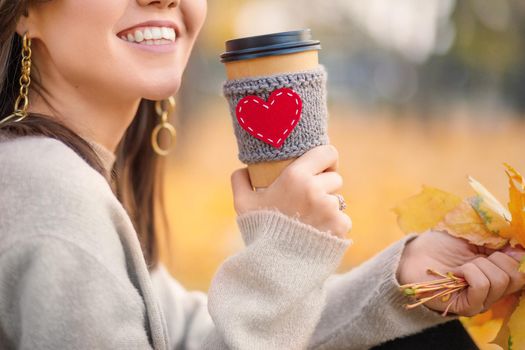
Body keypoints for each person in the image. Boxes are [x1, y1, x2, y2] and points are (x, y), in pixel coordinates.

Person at [0, 1, 523, 349]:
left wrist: (403, 280)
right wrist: (283, 254)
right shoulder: (50, 195)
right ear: (23, 10)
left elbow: (196, 338)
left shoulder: (51, 176)